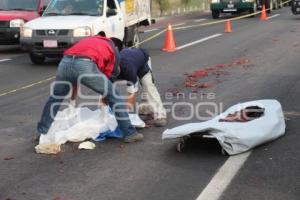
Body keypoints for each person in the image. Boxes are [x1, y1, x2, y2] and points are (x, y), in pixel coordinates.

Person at [36, 35, 143, 143]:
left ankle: (42, 132)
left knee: (54, 98)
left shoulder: (89, 40)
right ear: (118, 48)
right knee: (114, 95)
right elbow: (110, 75)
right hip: (85, 65)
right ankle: (129, 133)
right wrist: (106, 96)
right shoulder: (113, 48)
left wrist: (72, 100)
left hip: (64, 63)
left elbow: (75, 75)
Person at [117, 47, 167, 127]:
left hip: (142, 60)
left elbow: (132, 93)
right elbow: (106, 90)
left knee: (148, 85)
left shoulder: (128, 68)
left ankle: (160, 114)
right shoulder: (108, 69)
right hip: (131, 57)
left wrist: (124, 116)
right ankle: (146, 109)